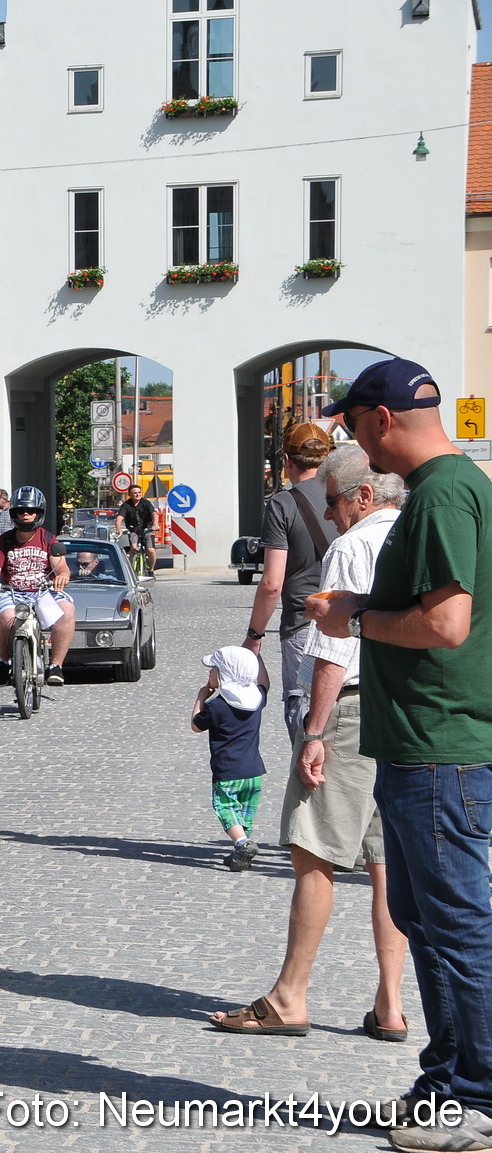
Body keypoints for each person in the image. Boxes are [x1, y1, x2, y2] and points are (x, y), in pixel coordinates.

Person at [309, 357, 492, 1149]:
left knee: (456, 923)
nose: (348, 435)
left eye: (351, 421)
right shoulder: (451, 487)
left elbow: (446, 623)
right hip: (425, 743)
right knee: (425, 916)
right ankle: (448, 1081)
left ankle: (478, 1097)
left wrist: (353, 615)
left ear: (381, 418)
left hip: (438, 744)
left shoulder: (445, 492)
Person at [208, 444, 409, 1041]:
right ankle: (392, 1005)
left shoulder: (355, 544)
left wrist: (314, 732)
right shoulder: (416, 531)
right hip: (404, 711)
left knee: (313, 852)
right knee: (385, 863)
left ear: (364, 496)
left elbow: (335, 648)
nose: (329, 517)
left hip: (350, 709)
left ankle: (289, 997)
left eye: (334, 503)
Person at [245, 422, 337, 742]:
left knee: (306, 722)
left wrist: (255, 636)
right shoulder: (347, 499)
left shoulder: (283, 504)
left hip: (302, 627)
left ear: (287, 461)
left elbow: (272, 583)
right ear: (327, 459)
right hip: (348, 625)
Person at [0, 487, 75, 685]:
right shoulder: (3, 541)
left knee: (67, 610)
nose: (26, 515)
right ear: (13, 513)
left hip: (43, 593)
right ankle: (5, 661)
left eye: (31, 511)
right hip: (14, 594)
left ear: (39, 513)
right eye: (21, 511)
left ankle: (56, 665)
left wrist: (62, 577)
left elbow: (62, 568)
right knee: (6, 617)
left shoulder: (49, 539)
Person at [191, 646, 271, 872]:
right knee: (244, 813)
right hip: (254, 772)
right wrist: (257, 654)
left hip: (227, 773)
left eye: (214, 669)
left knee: (225, 807)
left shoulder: (216, 705)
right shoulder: (257, 699)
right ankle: (240, 853)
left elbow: (196, 725)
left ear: (224, 674)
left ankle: (242, 844)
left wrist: (201, 697)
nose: (210, 673)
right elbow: (265, 683)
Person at [115, 484, 158, 572]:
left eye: (139, 492)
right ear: (130, 495)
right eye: (135, 493)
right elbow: (120, 517)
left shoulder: (146, 503)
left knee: (151, 550)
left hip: (147, 530)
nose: (138, 494)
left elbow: (154, 514)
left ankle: (151, 569)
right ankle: (130, 570)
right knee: (133, 548)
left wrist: (155, 524)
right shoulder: (126, 505)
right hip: (134, 530)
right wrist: (119, 529)